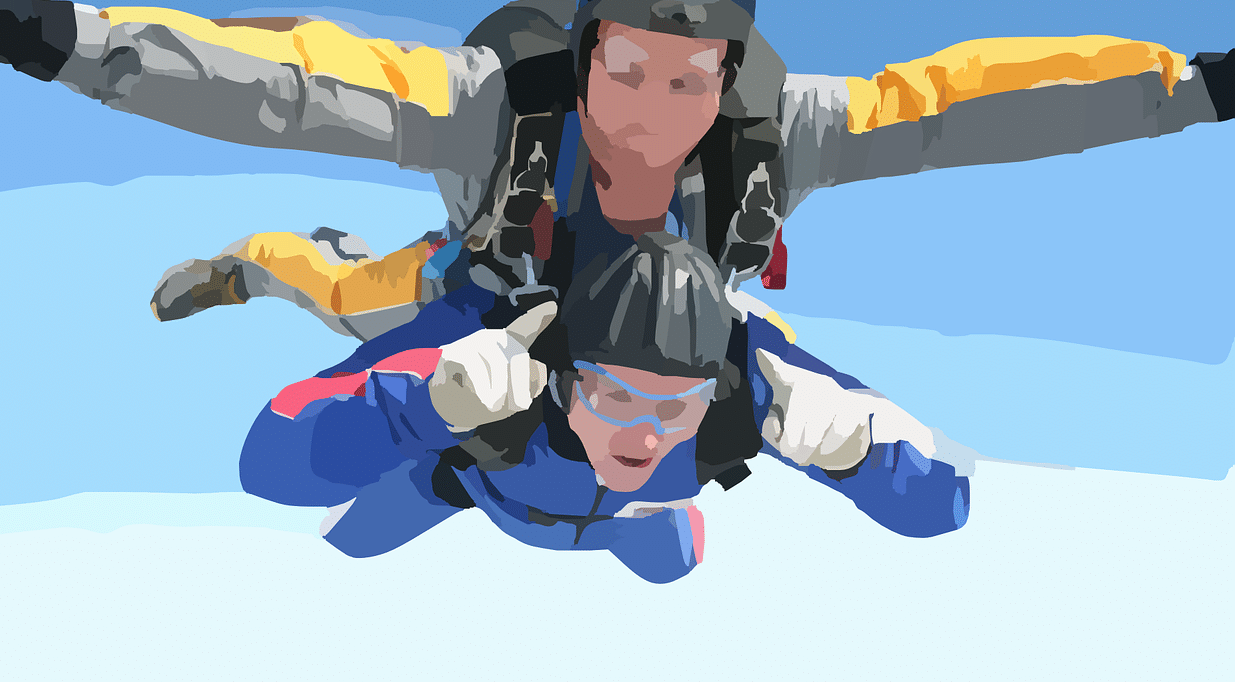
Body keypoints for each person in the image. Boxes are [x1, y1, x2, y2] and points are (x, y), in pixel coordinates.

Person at [0, 0, 1230, 343]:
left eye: (692, 78)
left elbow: (962, 108)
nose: (657, 112)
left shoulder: (783, 129)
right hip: (486, 291)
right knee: (344, 298)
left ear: (729, 71)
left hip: (666, 342)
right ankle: (256, 261)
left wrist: (1193, 87)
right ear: (582, 57)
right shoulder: (483, 109)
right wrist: (47, 37)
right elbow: (280, 83)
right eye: (628, 68)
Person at [240, 233, 966, 584]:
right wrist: (423, 405)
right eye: (616, 395)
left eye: (677, 407)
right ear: (561, 377)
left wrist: (863, 457)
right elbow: (268, 464)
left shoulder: (754, 372)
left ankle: (655, 495)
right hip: (464, 482)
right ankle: (327, 251)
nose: (645, 436)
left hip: (632, 521)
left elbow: (947, 501)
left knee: (674, 564)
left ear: (712, 389)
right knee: (348, 542)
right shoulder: (497, 335)